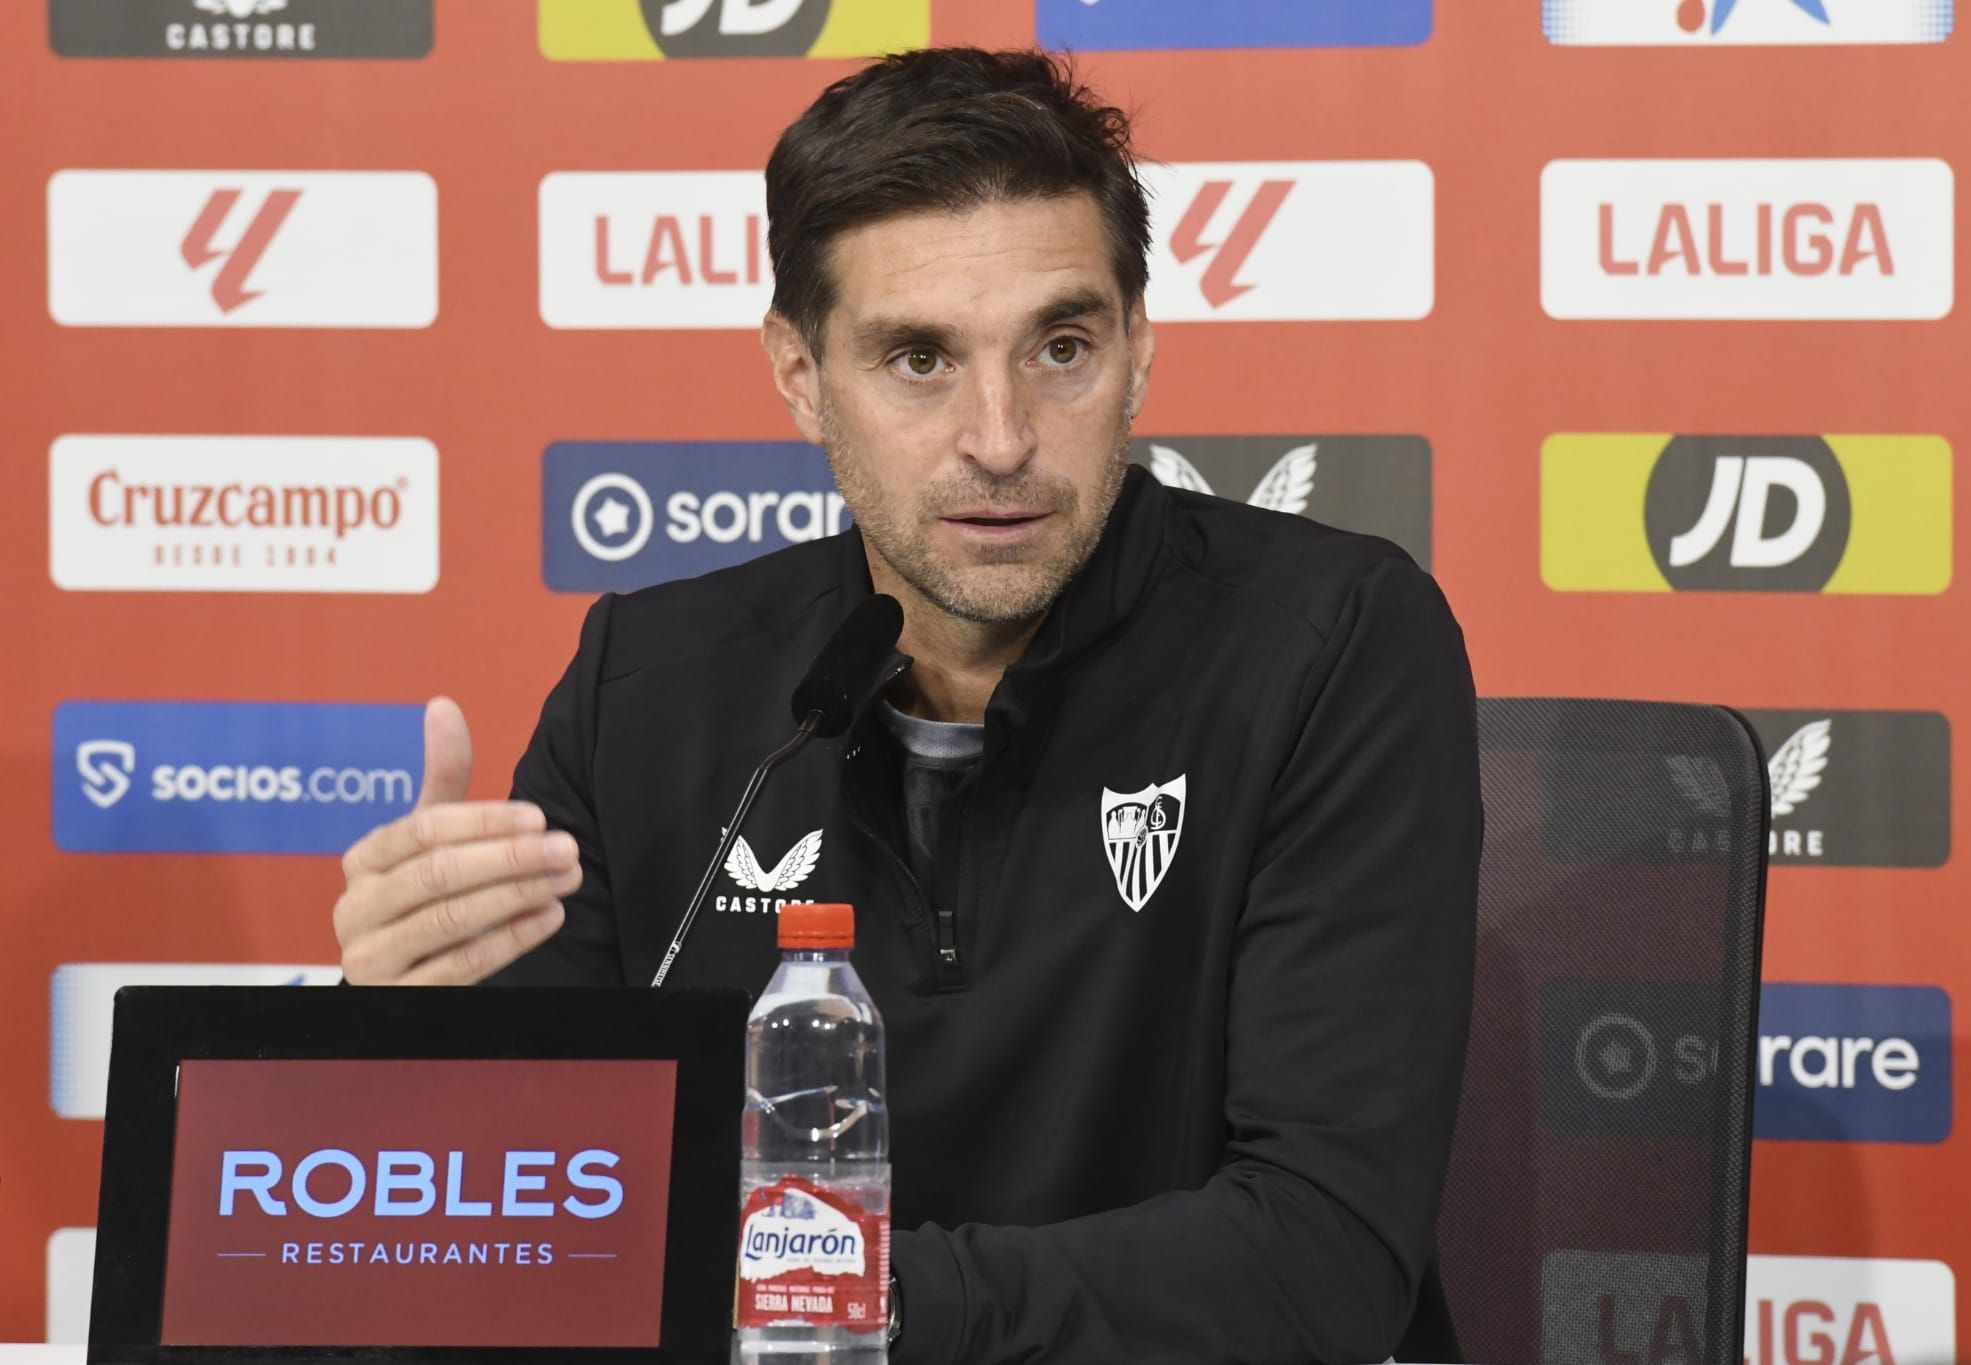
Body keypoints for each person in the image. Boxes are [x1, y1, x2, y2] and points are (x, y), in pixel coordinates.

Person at [331, 48, 1480, 1365]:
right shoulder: (647, 686)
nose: (1000, 435)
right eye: (919, 359)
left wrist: (827, 1308)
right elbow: (534, 1227)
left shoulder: (1327, 648)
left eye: (1060, 346)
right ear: (801, 374)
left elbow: (1318, 1263)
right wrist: (394, 1037)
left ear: (1141, 348)